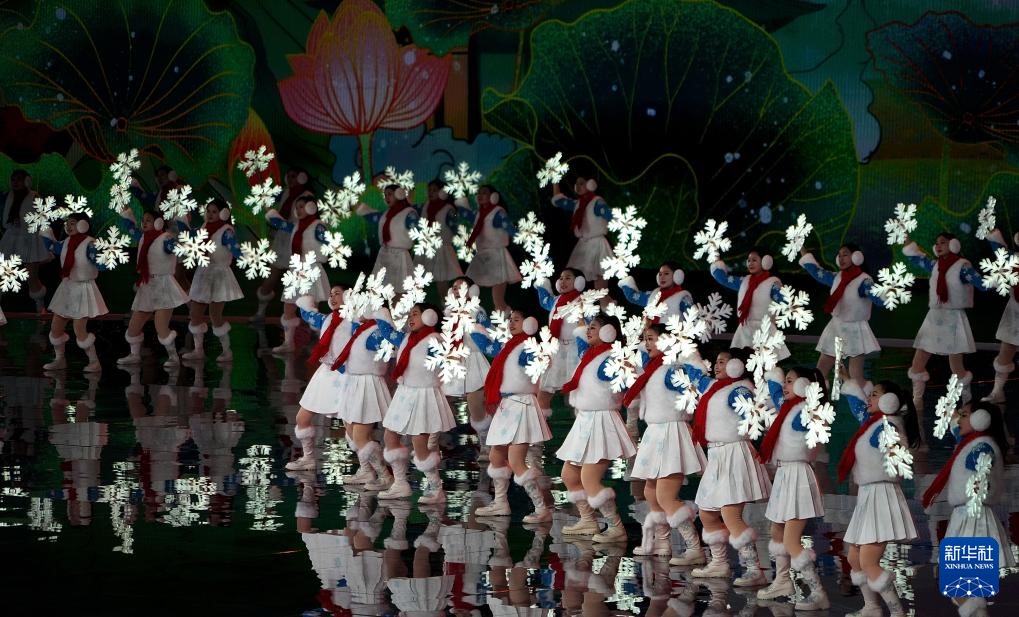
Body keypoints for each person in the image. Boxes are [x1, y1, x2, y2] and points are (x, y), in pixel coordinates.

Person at [683, 348, 771, 585]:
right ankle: (719, 563)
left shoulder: (740, 390)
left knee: (730, 514)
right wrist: (690, 354)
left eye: (723, 362)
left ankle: (754, 569)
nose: (717, 365)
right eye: (717, 361)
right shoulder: (716, 387)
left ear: (736, 366)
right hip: (717, 455)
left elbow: (757, 417)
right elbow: (696, 377)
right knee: (707, 512)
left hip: (734, 454)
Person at [922, 401, 1014, 617]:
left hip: (973, 517)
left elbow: (982, 477)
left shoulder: (981, 446)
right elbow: (956, 426)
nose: (959, 420)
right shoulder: (973, 443)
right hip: (968, 515)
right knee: (966, 588)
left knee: (962, 587)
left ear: (979, 419)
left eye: (964, 415)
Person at [838, 379, 920, 617]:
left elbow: (898, 456)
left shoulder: (888, 426)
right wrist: (848, 382)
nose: (869, 399)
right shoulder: (873, 423)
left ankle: (897, 612)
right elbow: (858, 407)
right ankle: (871, 607)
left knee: (868, 560)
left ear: (888, 400)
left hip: (881, 495)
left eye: (874, 395)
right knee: (854, 557)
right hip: (867, 495)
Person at [627, 323, 705, 565]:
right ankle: (663, 541)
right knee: (650, 491)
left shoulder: (673, 370)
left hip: (672, 432)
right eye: (645, 339)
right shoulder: (653, 368)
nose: (646, 343)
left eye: (651, 338)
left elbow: (697, 378)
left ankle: (694, 547)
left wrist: (689, 353)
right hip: (655, 432)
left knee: (665, 494)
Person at [556, 313, 636, 543]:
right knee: (569, 475)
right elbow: (581, 339)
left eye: (594, 327)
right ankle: (588, 519)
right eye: (589, 327)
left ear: (608, 332)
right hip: (585, 421)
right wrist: (581, 322)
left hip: (602, 422)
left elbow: (628, 384)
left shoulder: (612, 359)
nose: (588, 331)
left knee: (589, 479)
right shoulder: (590, 355)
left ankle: (616, 527)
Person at [470, 309, 553, 522]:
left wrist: (539, 357)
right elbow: (486, 345)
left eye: (517, 319)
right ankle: (500, 503)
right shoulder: (510, 346)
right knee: (496, 456)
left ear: (529, 323)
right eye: (510, 319)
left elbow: (539, 364)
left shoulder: (526, 347)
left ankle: (541, 509)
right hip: (507, 406)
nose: (511, 323)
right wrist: (476, 323)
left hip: (521, 405)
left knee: (516, 461)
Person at [756, 366, 829, 609]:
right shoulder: (789, 409)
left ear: (803, 385)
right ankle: (782, 581)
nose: (784, 386)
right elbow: (777, 393)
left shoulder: (805, 411)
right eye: (785, 381)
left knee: (790, 539)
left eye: (790, 381)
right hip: (784, 474)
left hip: (798, 475)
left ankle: (818, 592)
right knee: (777, 531)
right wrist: (773, 376)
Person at [375, 303, 456, 504]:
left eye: (416, 314)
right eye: (410, 314)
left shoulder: (435, 340)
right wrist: (379, 312)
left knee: (419, 443)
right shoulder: (406, 338)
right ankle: (400, 484)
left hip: (424, 394)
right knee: (390, 436)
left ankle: (436, 488)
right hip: (405, 393)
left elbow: (447, 362)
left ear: (429, 316)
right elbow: (386, 330)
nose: (411, 318)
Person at [903, 232, 987, 411]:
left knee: (956, 366)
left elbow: (982, 284)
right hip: (934, 317)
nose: (938, 245)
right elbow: (915, 257)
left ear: (954, 244)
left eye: (943, 242)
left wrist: (1000, 276)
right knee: (918, 361)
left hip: (953, 318)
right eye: (937, 243)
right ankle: (917, 401)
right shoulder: (935, 265)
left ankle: (967, 401)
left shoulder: (963, 267)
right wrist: (907, 240)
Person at [284, 286, 352, 471]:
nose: (333, 297)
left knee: (353, 429)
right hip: (325, 374)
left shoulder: (355, 322)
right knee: (302, 417)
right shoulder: (327, 319)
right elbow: (308, 314)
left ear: (349, 296)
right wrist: (305, 297)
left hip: (346, 375)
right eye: (331, 294)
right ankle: (308, 458)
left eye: (337, 293)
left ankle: (370, 469)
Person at [799, 244, 884, 387]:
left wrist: (888, 294)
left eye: (845, 254)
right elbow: (816, 271)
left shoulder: (864, 281)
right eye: (839, 255)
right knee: (820, 370)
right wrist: (802, 249)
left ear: (856, 256)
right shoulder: (836, 277)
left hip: (855, 329)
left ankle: (863, 398)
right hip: (836, 327)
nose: (841, 258)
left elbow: (879, 299)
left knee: (855, 375)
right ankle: (819, 398)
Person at [118, 208, 188, 367]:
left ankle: (173, 357)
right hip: (147, 286)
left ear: (158, 222)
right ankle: (134, 355)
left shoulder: (166, 239)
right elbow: (130, 227)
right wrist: (126, 214)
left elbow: (177, 249)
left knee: (161, 326)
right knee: (133, 327)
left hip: (164, 285)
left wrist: (183, 238)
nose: (144, 223)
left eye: (148, 220)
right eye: (143, 220)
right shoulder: (143, 237)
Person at [39, 212, 108, 372]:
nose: (69, 226)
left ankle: (94, 362)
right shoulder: (66, 242)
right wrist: (44, 230)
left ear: (83, 224)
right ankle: (59, 359)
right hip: (67, 288)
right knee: (56, 327)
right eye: (67, 223)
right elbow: (51, 246)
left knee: (79, 329)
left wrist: (104, 259)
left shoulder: (90, 244)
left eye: (73, 223)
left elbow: (101, 264)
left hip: (83, 289)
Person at [265, 194, 329, 353]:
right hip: (296, 269)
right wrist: (269, 211)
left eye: (301, 207)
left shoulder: (318, 226)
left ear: (311, 207)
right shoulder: (296, 226)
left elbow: (328, 245)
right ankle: (288, 343)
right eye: (297, 207)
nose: (298, 210)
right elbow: (279, 223)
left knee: (310, 309)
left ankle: (320, 343)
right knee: (288, 306)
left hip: (311, 269)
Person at [181, 199, 242, 363]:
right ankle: (198, 351)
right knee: (195, 314)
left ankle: (227, 351)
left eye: (214, 211)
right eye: (208, 211)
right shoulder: (203, 227)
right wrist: (183, 222)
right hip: (203, 274)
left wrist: (246, 256)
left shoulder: (226, 231)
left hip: (219, 276)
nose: (210, 214)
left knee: (215, 315)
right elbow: (189, 235)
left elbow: (235, 250)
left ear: (224, 213)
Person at [441, 277, 491, 459]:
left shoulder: (477, 311)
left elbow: (488, 332)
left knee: (475, 404)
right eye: (454, 287)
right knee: (437, 400)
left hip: (473, 359)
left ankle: (485, 442)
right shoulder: (447, 312)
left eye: (461, 287)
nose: (457, 291)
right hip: (453, 360)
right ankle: (433, 442)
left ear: (472, 291)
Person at [252, 167, 311, 321]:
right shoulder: (285, 192)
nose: (290, 179)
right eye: (288, 176)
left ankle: (301, 319)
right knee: (272, 275)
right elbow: (268, 197)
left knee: (298, 280)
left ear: (302, 177)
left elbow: (307, 220)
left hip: (298, 239)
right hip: (282, 239)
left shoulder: (307, 196)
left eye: (294, 176)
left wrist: (286, 225)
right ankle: (260, 313)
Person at [710, 246, 789, 360]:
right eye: (748, 260)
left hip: (764, 330)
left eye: (754, 260)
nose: (750, 263)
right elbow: (723, 278)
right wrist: (716, 257)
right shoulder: (744, 281)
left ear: (766, 261)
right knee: (741, 363)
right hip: (745, 330)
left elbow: (787, 302)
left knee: (763, 364)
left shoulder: (772, 284)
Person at [460, 185, 520, 312]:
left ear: (493, 196)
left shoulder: (497, 213)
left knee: (497, 299)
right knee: (466, 287)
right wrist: (462, 201)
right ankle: (467, 316)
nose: (480, 195)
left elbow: (509, 228)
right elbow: (466, 214)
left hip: (496, 255)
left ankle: (506, 319)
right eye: (479, 193)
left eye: (484, 193)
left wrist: (524, 236)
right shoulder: (478, 214)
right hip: (482, 255)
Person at [550, 174, 613, 292]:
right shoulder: (578, 204)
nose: (577, 186)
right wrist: (555, 180)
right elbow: (559, 201)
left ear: (591, 184)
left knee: (600, 282)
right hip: (583, 244)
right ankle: (573, 300)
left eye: (581, 183)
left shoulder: (597, 202)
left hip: (597, 243)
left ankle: (605, 302)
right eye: (576, 183)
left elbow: (611, 215)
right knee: (573, 277)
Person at [1, 170, 48, 310]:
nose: (15, 182)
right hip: (11, 238)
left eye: (19, 179)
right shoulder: (8, 196)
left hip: (29, 239)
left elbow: (42, 218)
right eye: (13, 179)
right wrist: (13, 223)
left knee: (31, 277)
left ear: (27, 181)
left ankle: (40, 308)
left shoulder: (34, 196)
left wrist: (25, 224)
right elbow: (5, 220)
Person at [982, 229, 1019, 404]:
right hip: (1015, 313)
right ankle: (997, 391)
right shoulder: (1014, 259)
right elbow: (1000, 251)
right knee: (1005, 354)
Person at [358, 184, 418, 291]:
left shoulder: (409, 213)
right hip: (384, 253)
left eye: (389, 194)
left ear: (399, 194)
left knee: (398, 288)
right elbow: (373, 216)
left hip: (399, 255)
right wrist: (357, 206)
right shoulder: (387, 213)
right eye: (385, 195)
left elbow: (417, 229)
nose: (386, 197)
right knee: (378, 287)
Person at [416, 180, 463, 296]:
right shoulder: (425, 206)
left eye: (434, 190)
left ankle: (446, 303)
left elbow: (455, 228)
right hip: (426, 248)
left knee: (441, 281)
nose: (431, 192)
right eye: (429, 190)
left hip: (441, 249)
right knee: (417, 278)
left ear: (442, 192)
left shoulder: (448, 209)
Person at [619, 261, 692, 323]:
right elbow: (633, 296)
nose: (662, 277)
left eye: (666, 273)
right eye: (660, 274)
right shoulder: (653, 295)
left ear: (678, 275)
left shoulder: (683, 298)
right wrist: (623, 277)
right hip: (649, 334)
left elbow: (692, 320)